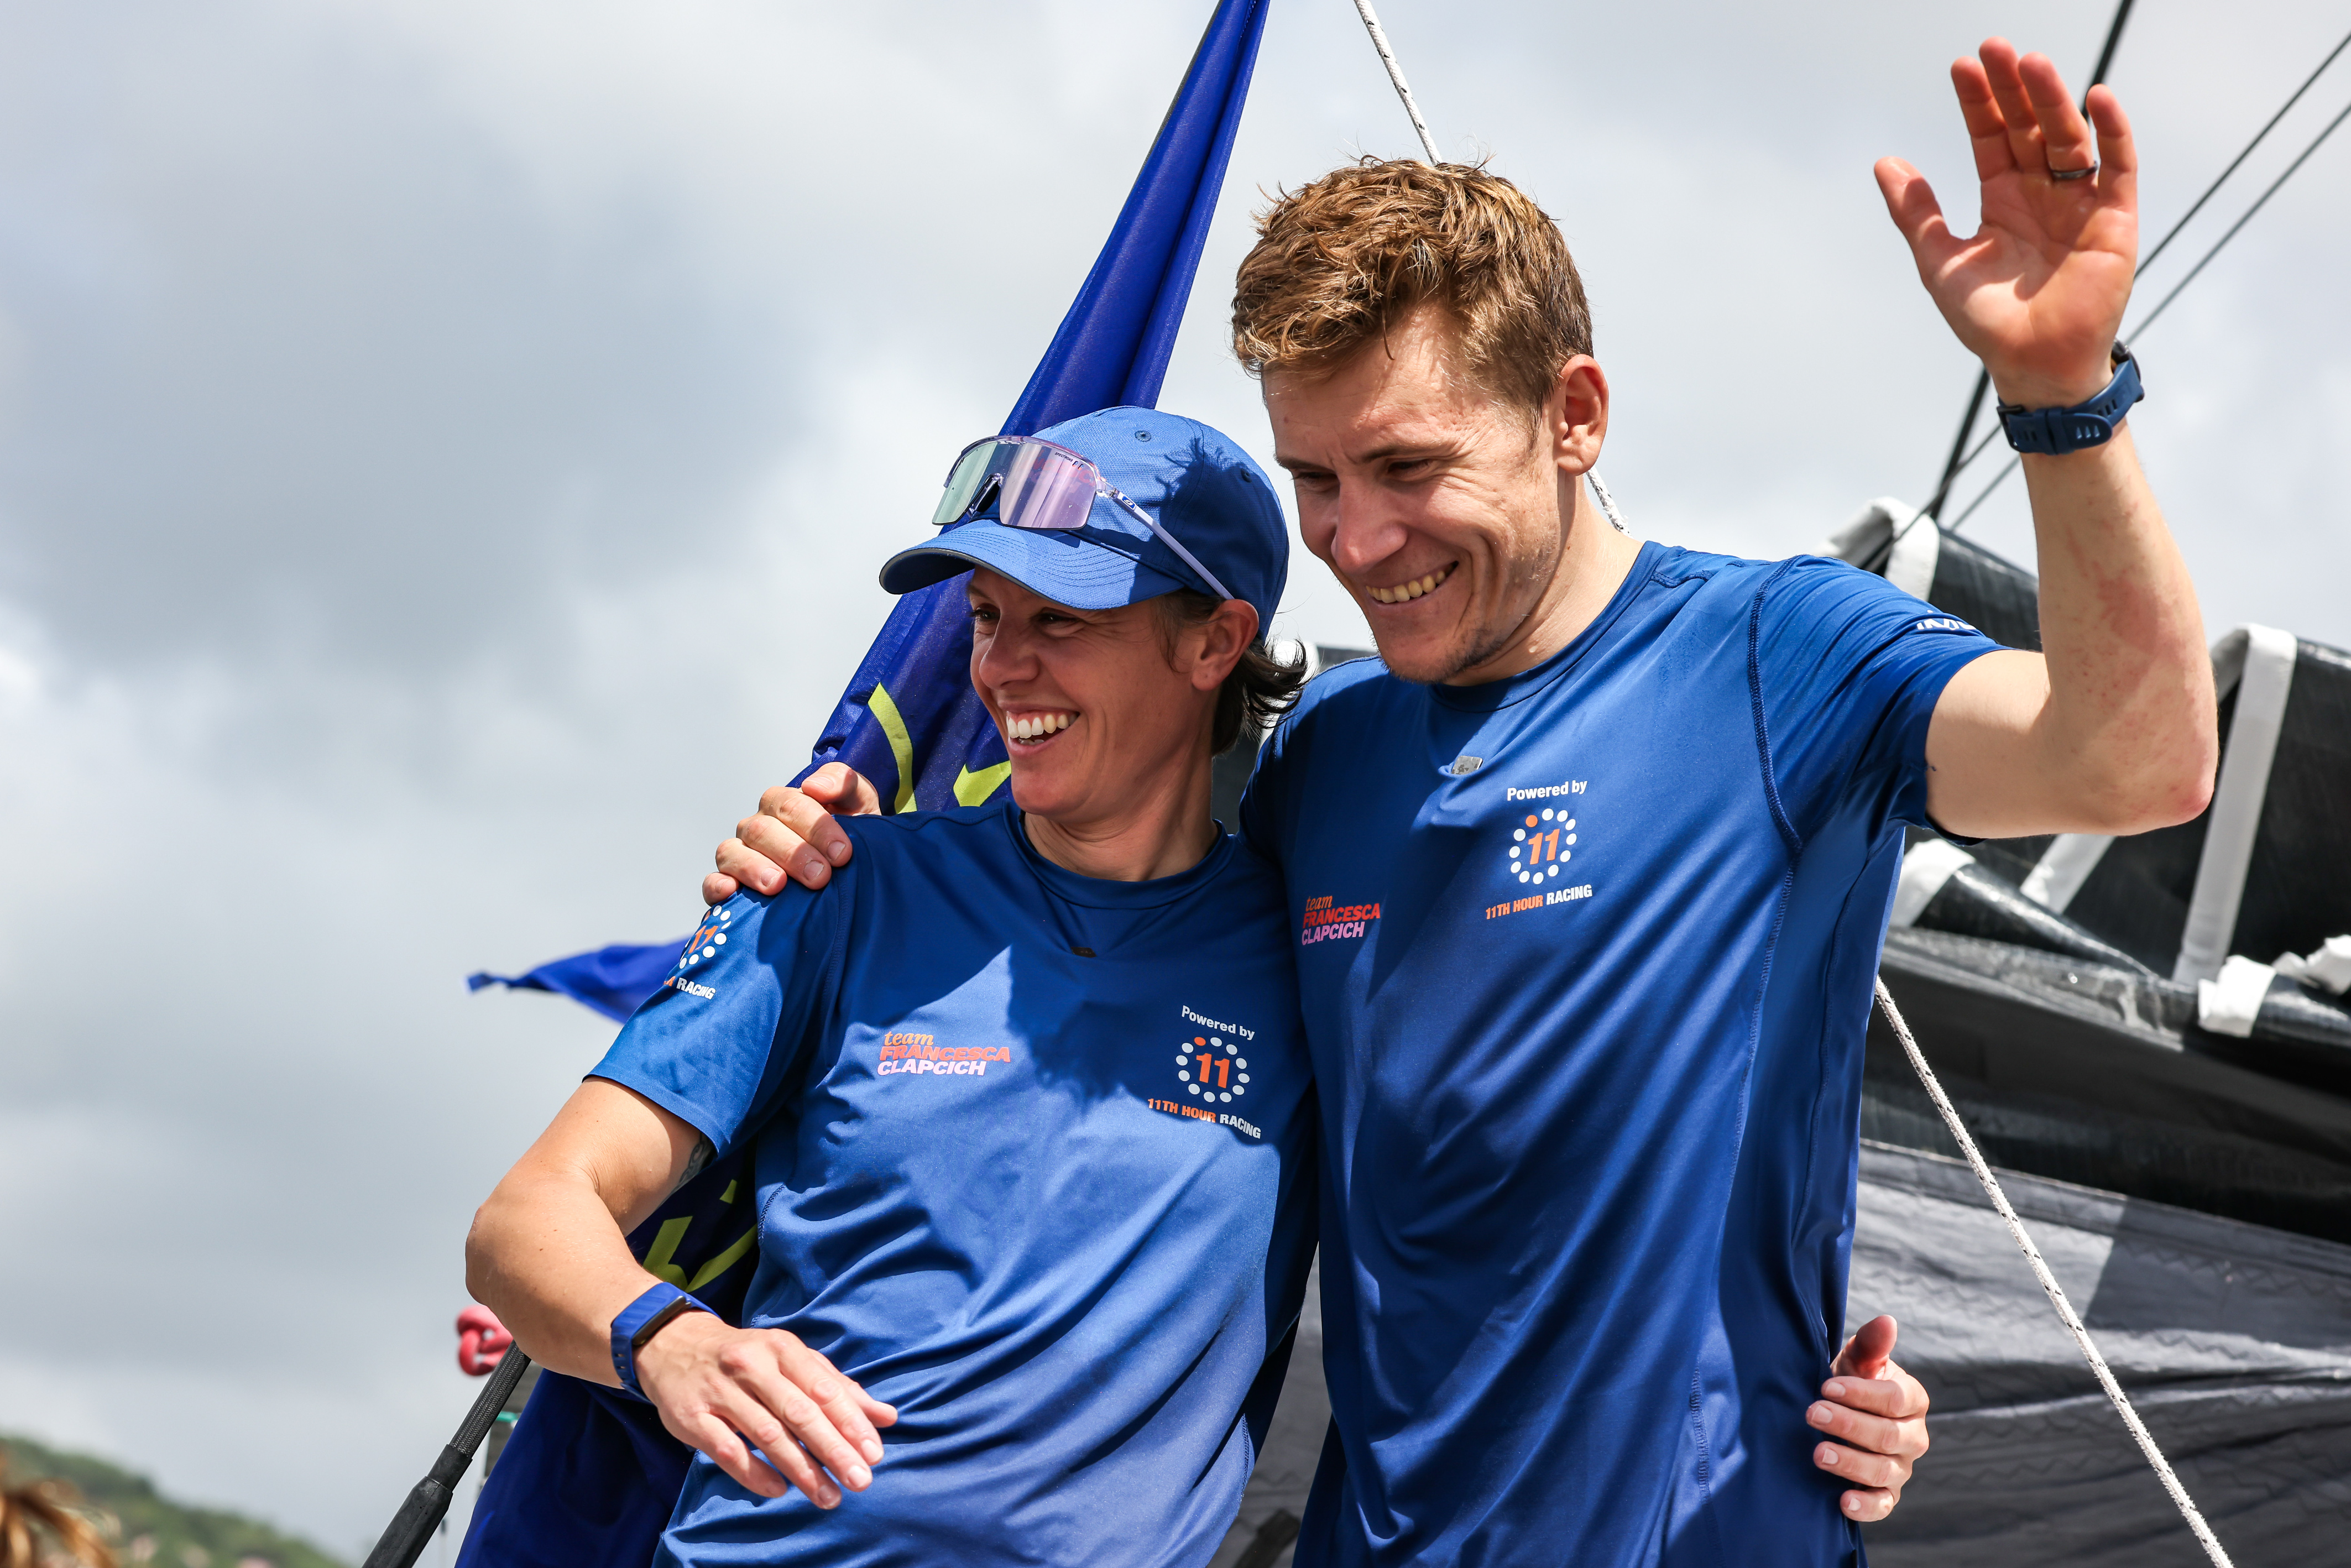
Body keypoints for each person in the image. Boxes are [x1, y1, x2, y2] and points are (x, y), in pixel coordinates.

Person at [708, 39, 2212, 1566]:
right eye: (1313, 479)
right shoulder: (1320, 756)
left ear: (1574, 413)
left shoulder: (1777, 658)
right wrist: (811, 869)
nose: (1353, 540)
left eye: (1406, 466)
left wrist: (2061, 396)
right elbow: (1079, 974)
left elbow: (2134, 761)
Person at [466, 408, 1919, 1567]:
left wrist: (1805, 1394)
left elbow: (1524, 1202)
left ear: (1216, 637)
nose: (1006, 666)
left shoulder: (1312, 941)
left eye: (1064, 619)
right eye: (986, 615)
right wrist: (665, 1338)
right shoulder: (841, 883)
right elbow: (529, 1220)